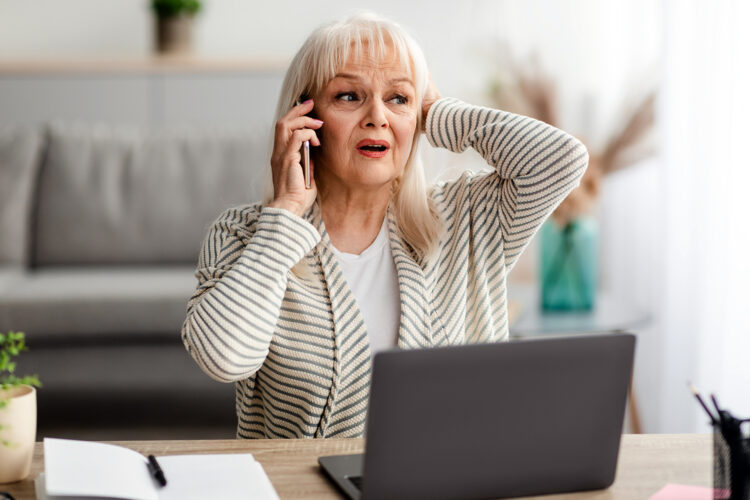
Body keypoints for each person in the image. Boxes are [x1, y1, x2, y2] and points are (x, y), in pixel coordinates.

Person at [181, 12, 588, 439]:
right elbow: (222, 358)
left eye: (397, 99)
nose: (377, 117)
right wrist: (284, 215)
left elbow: (562, 161)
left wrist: (435, 110)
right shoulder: (245, 235)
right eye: (349, 96)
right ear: (304, 118)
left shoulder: (467, 217)